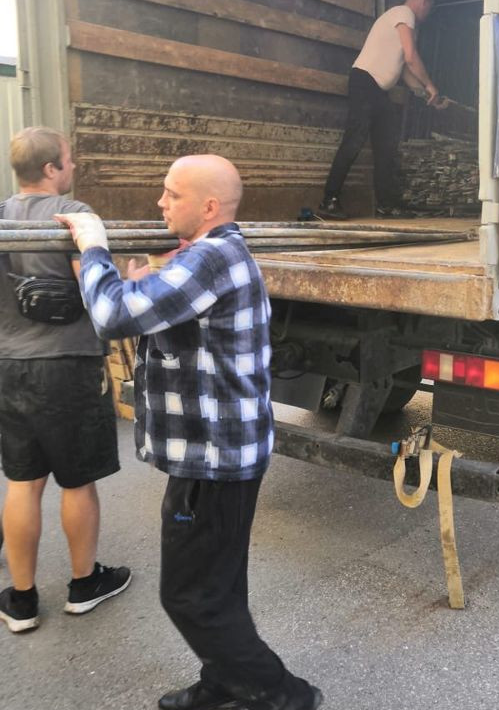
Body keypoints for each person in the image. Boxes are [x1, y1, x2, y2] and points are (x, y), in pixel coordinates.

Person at [57, 155, 323, 710]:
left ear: (208, 206)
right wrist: (141, 285)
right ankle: (224, 684)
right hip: (214, 456)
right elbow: (170, 322)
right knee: (218, 589)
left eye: (171, 193)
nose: (160, 202)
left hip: (215, 461)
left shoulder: (211, 258)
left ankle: (283, 695)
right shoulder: (211, 254)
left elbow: (111, 317)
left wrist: (94, 245)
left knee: (190, 596)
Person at [0, 127, 130, 634]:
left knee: (22, 482)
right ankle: (83, 584)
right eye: (69, 160)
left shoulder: (1, 217)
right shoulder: (74, 214)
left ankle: (21, 600)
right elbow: (94, 287)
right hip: (68, 364)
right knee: (76, 481)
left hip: (10, 365)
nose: (73, 167)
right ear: (51, 168)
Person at [318, 0, 448, 220]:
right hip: (365, 83)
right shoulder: (404, 13)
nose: (427, 15)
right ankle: (329, 200)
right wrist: (430, 85)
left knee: (386, 147)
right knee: (354, 141)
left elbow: (406, 70)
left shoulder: (402, 21)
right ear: (424, 2)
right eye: (429, 9)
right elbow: (411, 57)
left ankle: (386, 205)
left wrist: (428, 96)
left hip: (378, 91)